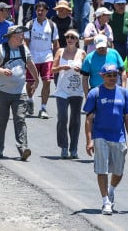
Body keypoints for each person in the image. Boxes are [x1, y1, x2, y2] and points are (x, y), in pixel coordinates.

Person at [83, 63, 128, 216]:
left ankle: (111, 190)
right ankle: (106, 200)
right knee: (102, 169)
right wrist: (89, 140)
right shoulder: (95, 93)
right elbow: (88, 119)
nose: (112, 78)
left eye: (114, 75)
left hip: (118, 137)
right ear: (102, 76)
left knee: (118, 171)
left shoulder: (124, 93)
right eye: (109, 75)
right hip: (100, 135)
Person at [0, 25, 40, 160]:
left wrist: (36, 79)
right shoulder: (0, 49)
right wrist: (2, 71)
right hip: (2, 92)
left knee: (20, 119)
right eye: (20, 34)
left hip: (20, 92)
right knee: (1, 122)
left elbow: (30, 64)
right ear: (13, 35)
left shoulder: (24, 49)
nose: (23, 36)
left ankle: (23, 148)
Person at [52, 29, 86, 159]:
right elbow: (53, 69)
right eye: (67, 37)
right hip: (62, 90)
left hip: (76, 90)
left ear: (77, 40)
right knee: (62, 118)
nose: (70, 39)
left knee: (75, 120)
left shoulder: (82, 53)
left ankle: (74, 148)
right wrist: (62, 67)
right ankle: (64, 146)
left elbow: (87, 71)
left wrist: (81, 70)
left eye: (73, 37)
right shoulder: (60, 51)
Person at [24, 2, 60, 118]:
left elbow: (56, 44)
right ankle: (30, 100)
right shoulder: (29, 24)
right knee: (30, 83)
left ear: (46, 11)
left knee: (47, 81)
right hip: (33, 57)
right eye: (38, 10)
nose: (40, 12)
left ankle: (43, 108)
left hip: (47, 57)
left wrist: (56, 59)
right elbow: (26, 42)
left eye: (42, 10)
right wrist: (26, 57)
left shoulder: (52, 25)